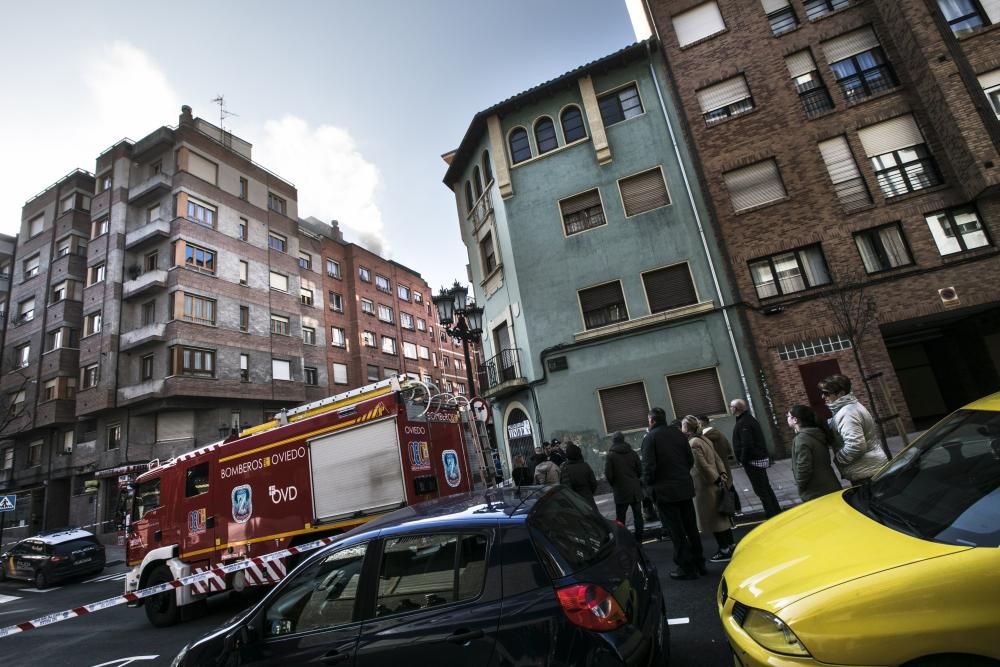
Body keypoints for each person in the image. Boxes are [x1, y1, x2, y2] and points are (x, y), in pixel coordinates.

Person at [642, 407, 705, 580]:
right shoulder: (678, 434)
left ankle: (686, 567)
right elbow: (689, 460)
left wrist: (648, 486)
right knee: (691, 527)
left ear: (652, 421)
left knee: (676, 531)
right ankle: (699, 562)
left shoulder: (650, 438)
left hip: (664, 492)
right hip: (684, 487)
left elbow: (648, 468)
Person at [681, 415, 736, 562]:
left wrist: (715, 478)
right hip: (716, 481)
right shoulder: (704, 439)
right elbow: (717, 458)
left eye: (682, 426)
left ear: (687, 428)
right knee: (723, 516)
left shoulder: (693, 443)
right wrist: (722, 474)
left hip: (705, 486)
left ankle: (724, 549)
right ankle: (730, 545)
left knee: (713, 519)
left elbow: (702, 465)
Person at [819, 374, 889, 484]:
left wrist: (839, 459)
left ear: (841, 394)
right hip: (868, 468)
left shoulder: (847, 413)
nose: (823, 397)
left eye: (826, 393)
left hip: (866, 473)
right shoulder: (850, 407)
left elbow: (855, 446)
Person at [729, 398, 782, 518]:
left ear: (736, 409)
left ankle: (772, 514)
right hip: (756, 460)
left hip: (753, 462)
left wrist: (742, 459)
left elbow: (747, 444)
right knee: (765, 487)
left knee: (761, 490)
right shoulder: (747, 419)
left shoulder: (744, 423)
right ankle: (776, 511)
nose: (730, 408)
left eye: (731, 406)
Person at [787, 405, 843, 502]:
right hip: (830, 485)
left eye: (788, 416)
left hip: (816, 492)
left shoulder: (802, 439)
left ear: (795, 420)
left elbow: (804, 467)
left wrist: (801, 485)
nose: (787, 418)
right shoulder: (816, 433)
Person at [604, 431, 644, 542]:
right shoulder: (632, 453)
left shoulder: (610, 456)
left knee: (621, 518)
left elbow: (609, 475)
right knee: (638, 516)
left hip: (621, 490)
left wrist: (615, 485)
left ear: (613, 441)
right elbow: (640, 470)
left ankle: (623, 539)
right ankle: (639, 539)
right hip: (635, 490)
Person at [698, 414, 739, 514]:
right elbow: (728, 448)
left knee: (723, 489)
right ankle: (737, 508)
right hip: (723, 465)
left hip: (716, 466)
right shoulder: (718, 433)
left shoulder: (704, 438)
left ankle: (730, 511)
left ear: (701, 423)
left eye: (698, 423)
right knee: (729, 486)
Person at [559, 441, 598, 509]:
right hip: (589, 500)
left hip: (576, 503)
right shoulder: (585, 465)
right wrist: (588, 492)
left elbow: (566, 488)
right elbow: (593, 483)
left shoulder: (565, 469)